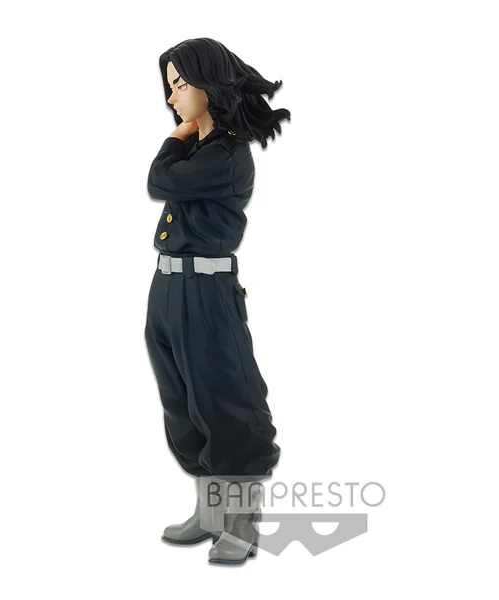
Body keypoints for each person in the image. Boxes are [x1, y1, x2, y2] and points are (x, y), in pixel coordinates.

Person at [144, 37, 290, 565]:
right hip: (168, 287)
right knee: (181, 401)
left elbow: (159, 180)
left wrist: (175, 136)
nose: (172, 97)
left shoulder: (227, 153)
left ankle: (242, 519)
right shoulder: (200, 149)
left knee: (224, 398)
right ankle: (210, 511)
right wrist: (185, 137)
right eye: (169, 87)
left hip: (207, 291)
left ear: (209, 83)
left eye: (181, 84)